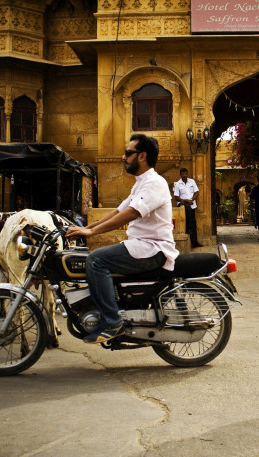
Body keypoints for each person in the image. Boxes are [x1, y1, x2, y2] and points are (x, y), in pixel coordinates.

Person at [66, 134, 178, 344]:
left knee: (96, 260)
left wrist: (92, 233)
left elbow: (131, 213)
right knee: (94, 257)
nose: (123, 157)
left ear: (142, 156)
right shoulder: (140, 184)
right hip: (141, 246)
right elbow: (119, 211)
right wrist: (84, 228)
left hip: (153, 249)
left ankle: (112, 322)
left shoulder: (154, 183)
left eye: (128, 153)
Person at [173, 168, 202, 248]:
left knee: (194, 223)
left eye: (185, 173)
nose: (184, 175)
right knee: (187, 207)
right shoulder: (178, 184)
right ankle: (188, 228)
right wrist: (185, 200)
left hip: (192, 204)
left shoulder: (192, 181)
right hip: (182, 204)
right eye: (182, 174)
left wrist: (191, 199)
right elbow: (176, 197)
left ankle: (194, 243)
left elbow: (196, 192)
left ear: (187, 173)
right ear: (180, 175)